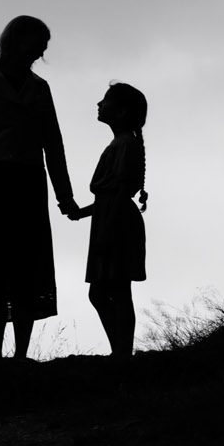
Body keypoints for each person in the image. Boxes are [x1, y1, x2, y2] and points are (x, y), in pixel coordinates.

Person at [0, 15, 80, 361]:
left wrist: (64, 195)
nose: (42, 51)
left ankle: (21, 355)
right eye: (39, 43)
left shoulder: (40, 89)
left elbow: (53, 144)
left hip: (29, 181)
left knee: (28, 265)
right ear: (17, 41)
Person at [77, 81, 150, 357]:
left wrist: (107, 230)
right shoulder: (121, 143)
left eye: (105, 100)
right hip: (110, 219)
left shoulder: (126, 145)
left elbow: (120, 192)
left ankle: (122, 353)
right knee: (102, 292)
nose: (99, 104)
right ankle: (120, 351)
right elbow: (110, 196)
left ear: (120, 112)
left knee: (117, 292)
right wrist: (83, 214)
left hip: (117, 224)